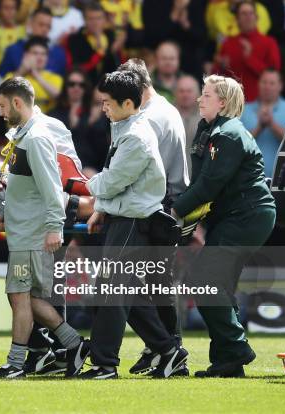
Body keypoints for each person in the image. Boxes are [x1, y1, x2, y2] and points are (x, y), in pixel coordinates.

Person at [83, 71, 187, 380]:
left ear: (128, 103)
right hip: (127, 218)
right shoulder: (124, 126)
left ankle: (105, 364)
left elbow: (112, 180)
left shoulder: (136, 136)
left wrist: (81, 184)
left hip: (133, 221)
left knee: (110, 292)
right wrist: (101, 205)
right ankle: (169, 350)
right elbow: (112, 178)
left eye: (107, 103)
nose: (103, 108)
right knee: (122, 292)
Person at [171, 74, 276, 378]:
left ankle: (236, 346)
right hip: (240, 216)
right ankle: (227, 362)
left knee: (205, 279)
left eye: (206, 95)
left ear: (223, 102)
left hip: (246, 216)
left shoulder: (227, 134)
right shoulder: (214, 131)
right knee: (218, 283)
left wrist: (174, 212)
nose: (200, 99)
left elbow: (208, 185)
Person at [0, 77, 91, 379]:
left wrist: (54, 227)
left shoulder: (36, 139)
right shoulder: (24, 136)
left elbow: (50, 189)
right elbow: (28, 187)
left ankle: (15, 364)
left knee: (20, 296)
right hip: (23, 230)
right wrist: (7, 213)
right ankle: (73, 345)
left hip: (31, 234)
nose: (1, 113)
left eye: (3, 106)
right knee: (25, 297)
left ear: (18, 103)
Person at [117, 58, 189, 376]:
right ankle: (161, 348)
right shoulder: (166, 108)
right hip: (168, 203)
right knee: (156, 283)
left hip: (153, 206)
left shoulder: (149, 119)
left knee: (134, 281)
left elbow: (135, 170)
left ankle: (168, 349)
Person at [212, 0, 281, 102]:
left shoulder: (269, 43)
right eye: (243, 14)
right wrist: (220, 66)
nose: (248, 17)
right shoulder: (228, 43)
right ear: (237, 19)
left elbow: (274, 76)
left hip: (259, 104)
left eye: (251, 13)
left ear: (256, 17)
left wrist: (250, 58)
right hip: (233, 103)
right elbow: (215, 78)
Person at [240, 69, 285, 178]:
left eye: (272, 83)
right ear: (258, 84)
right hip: (249, 180)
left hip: (282, 181)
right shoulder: (243, 110)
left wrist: (271, 124)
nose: (267, 87)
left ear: (280, 86)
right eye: (264, 82)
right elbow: (237, 146)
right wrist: (259, 127)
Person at [0, 7, 67, 77]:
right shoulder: (13, 50)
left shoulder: (58, 54)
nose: (45, 29)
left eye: (48, 26)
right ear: (30, 23)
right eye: (41, 24)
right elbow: (1, 82)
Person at [5, 36, 63, 113]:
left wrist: (36, 74)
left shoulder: (55, 78)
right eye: (35, 53)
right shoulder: (12, 76)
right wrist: (22, 70)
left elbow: (57, 94)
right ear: (26, 55)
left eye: (43, 54)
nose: (40, 57)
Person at [174, 75, 202, 172]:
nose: (185, 95)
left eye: (189, 91)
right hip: (171, 178)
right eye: (181, 91)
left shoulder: (207, 118)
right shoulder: (166, 116)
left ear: (198, 93)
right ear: (175, 93)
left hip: (198, 177)